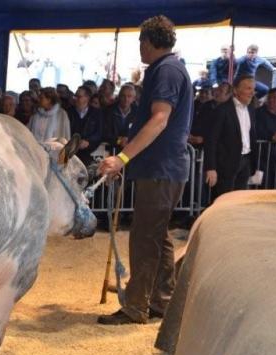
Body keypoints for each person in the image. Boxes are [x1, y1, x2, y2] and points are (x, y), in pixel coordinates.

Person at [97, 15, 193, 325]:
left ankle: (136, 305)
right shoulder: (170, 68)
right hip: (165, 167)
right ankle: (162, 300)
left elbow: (160, 119)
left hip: (160, 167)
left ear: (148, 42)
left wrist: (122, 158)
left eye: (141, 42)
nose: (140, 47)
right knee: (157, 235)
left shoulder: (165, 71)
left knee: (144, 237)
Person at [203, 75, 257, 200]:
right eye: (248, 88)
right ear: (235, 90)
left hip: (246, 161)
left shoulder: (251, 109)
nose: (252, 93)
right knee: (223, 200)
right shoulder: (222, 110)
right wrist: (211, 168)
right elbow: (211, 140)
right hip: (225, 165)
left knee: (239, 201)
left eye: (253, 89)